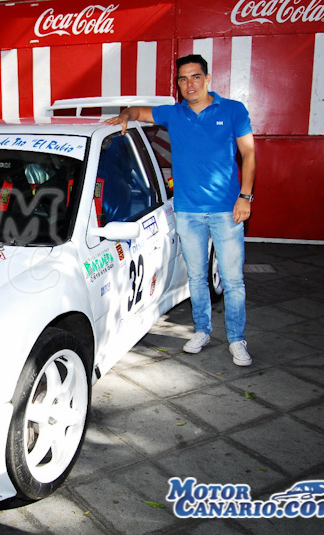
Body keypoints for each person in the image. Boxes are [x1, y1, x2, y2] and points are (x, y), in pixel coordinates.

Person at [105, 54, 256, 366]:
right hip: (187, 212)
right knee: (197, 277)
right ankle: (201, 330)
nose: (190, 84)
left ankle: (236, 339)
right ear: (178, 83)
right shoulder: (173, 113)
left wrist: (245, 196)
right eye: (183, 79)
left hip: (226, 210)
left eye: (196, 76)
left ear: (207, 78)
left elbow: (249, 153)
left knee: (233, 280)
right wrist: (124, 116)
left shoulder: (233, 110)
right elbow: (137, 111)